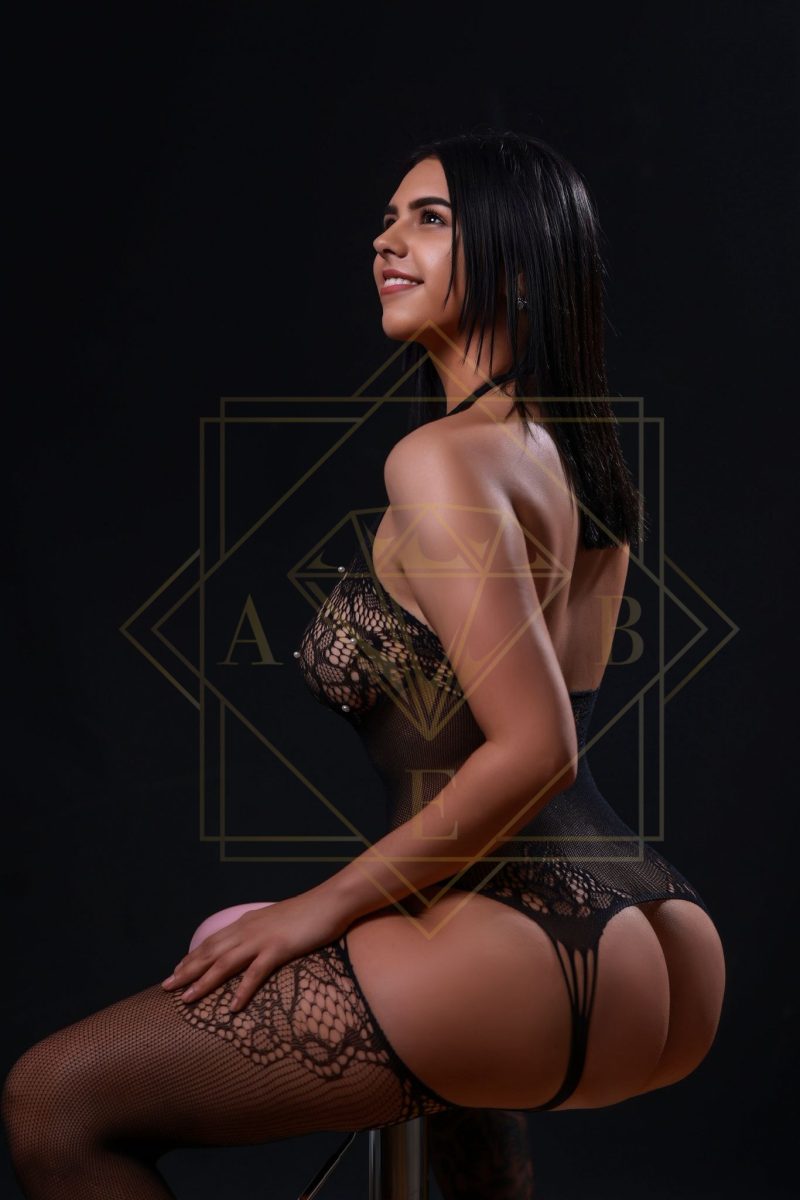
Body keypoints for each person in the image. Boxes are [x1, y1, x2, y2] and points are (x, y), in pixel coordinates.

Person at [1, 130, 726, 1200]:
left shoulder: (437, 459)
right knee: (447, 1119)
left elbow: (537, 748)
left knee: (53, 1103)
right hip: (660, 940)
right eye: (386, 220)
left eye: (429, 219)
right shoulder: (571, 460)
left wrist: (323, 906)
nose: (386, 241)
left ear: (520, 261)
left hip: (512, 943)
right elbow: (531, 720)